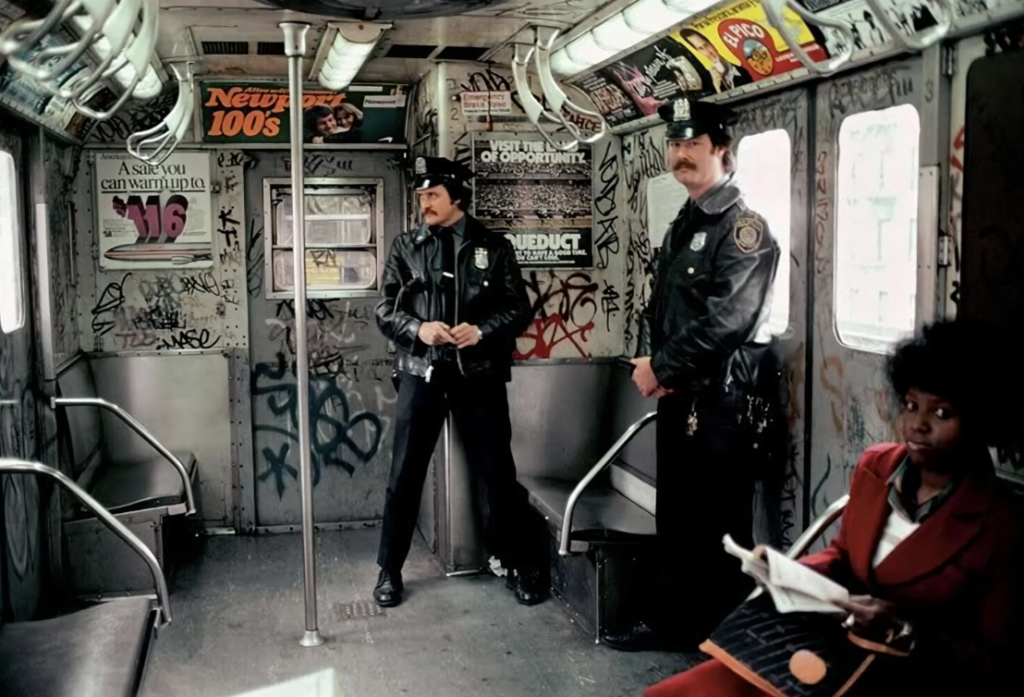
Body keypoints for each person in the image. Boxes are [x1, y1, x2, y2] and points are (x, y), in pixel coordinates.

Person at [644, 318, 1023, 697]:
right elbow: (843, 557)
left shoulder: (999, 523)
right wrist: (791, 576)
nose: (917, 425)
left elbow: (994, 659)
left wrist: (905, 629)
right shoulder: (876, 468)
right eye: (910, 405)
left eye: (941, 413)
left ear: (979, 422)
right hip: (832, 643)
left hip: (908, 675)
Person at [603, 97, 780, 652]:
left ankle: (722, 639)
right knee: (677, 519)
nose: (680, 155)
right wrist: (658, 367)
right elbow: (669, 309)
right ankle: (674, 623)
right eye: (675, 144)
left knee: (719, 530)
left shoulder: (743, 229)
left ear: (721, 150)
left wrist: (660, 367)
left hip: (723, 403)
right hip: (684, 397)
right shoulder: (687, 218)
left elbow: (728, 320)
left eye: (692, 145)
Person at [372, 156, 544, 608]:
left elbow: (518, 308)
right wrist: (418, 330)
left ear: (457, 199)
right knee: (404, 474)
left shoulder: (493, 245)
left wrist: (482, 330)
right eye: (422, 196)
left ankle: (516, 562)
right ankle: (389, 570)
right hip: (421, 373)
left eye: (433, 195)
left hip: (478, 375)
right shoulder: (406, 246)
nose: (424, 203)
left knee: (497, 474)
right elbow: (384, 310)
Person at [678, 28, 752, 94]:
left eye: (706, 45)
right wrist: (717, 88)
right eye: (701, 48)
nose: (708, 52)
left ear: (712, 42)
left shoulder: (741, 70)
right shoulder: (708, 81)